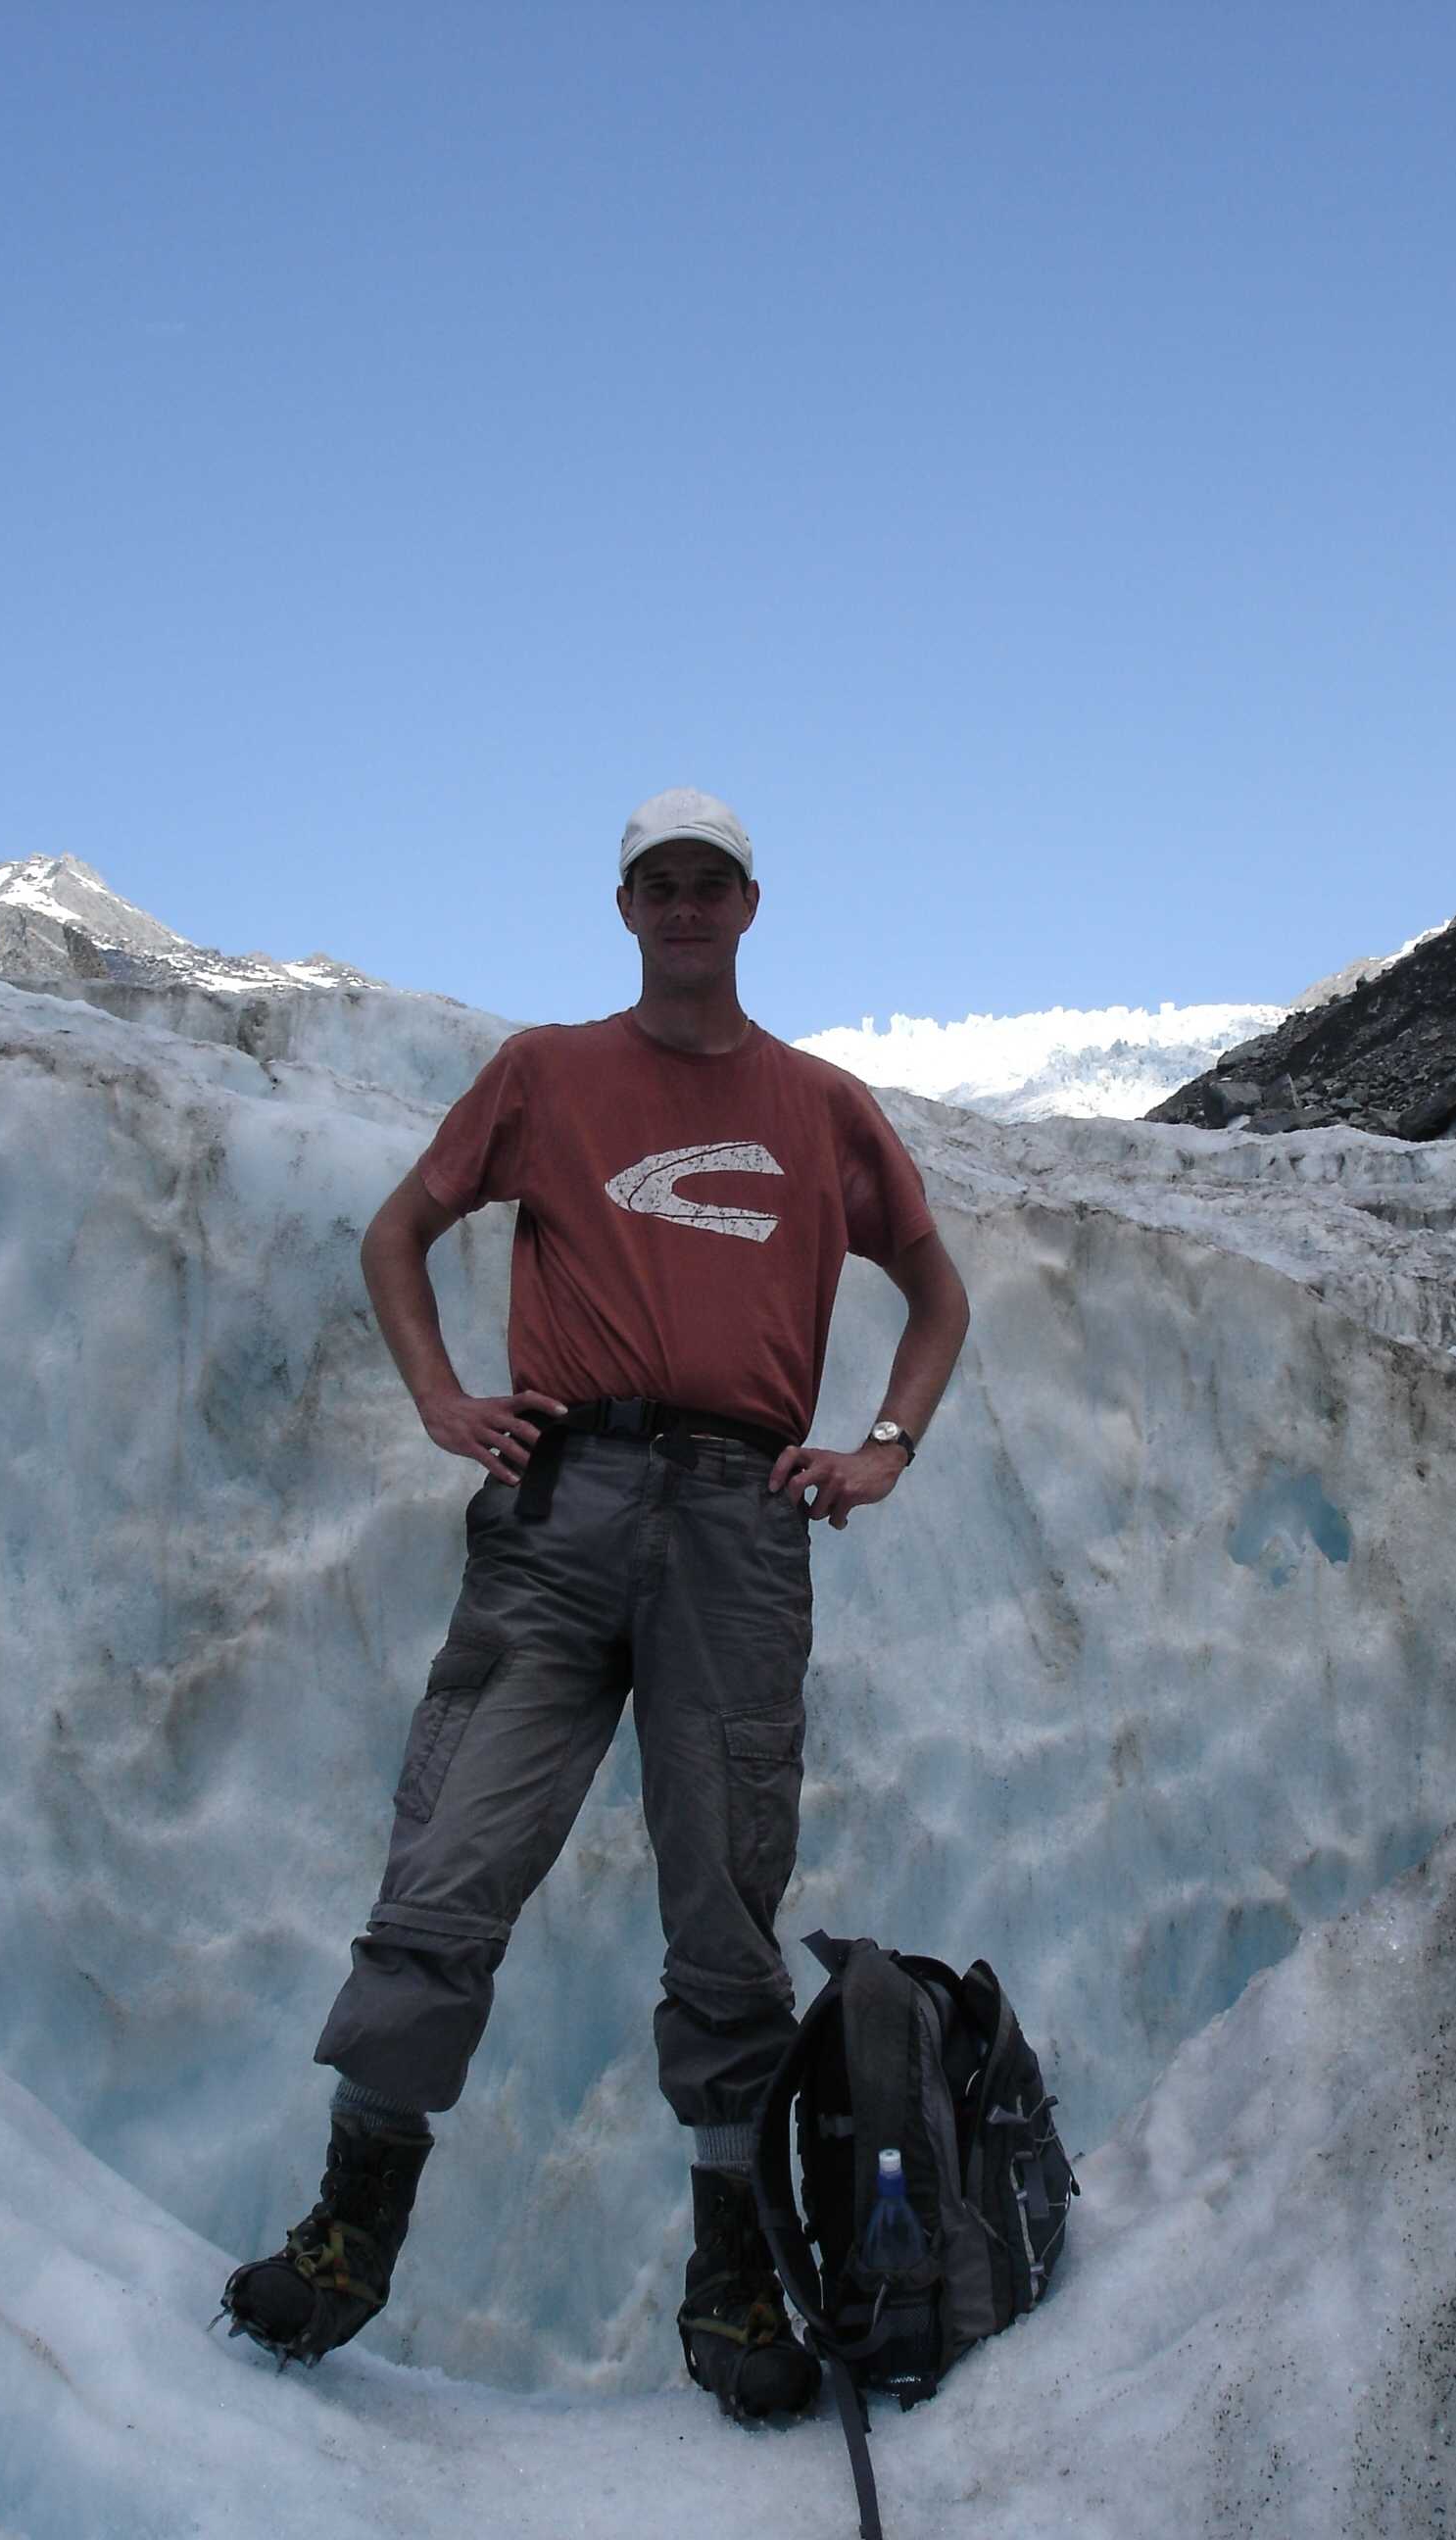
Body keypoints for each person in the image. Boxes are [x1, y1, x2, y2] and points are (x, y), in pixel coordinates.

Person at [220, 786, 971, 2423]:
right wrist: (441, 1400)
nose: (685, 908)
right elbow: (400, 1233)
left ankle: (731, 2274)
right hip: (562, 1513)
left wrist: (888, 1445)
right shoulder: (546, 1074)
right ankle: (354, 2233)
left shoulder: (824, 1107)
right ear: (624, 906)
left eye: (711, 886)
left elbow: (935, 1290)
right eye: (659, 886)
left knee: (723, 1914)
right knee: (450, 1870)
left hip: (739, 1521)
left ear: (749, 907)